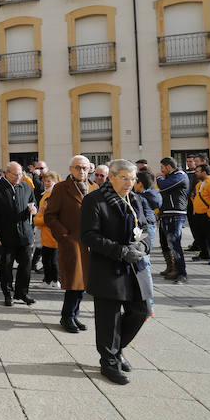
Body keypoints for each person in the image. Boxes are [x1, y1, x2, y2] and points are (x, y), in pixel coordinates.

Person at [80, 159, 151, 385]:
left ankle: (117, 349)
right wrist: (120, 251)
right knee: (108, 318)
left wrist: (143, 247)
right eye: (124, 178)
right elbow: (89, 235)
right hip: (108, 268)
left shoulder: (135, 199)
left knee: (141, 311)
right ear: (111, 177)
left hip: (135, 268)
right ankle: (109, 362)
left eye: (132, 178)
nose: (130, 183)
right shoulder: (94, 200)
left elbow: (148, 228)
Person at [45, 156, 97, 332]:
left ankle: (74, 314)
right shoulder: (61, 188)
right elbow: (50, 216)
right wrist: (63, 234)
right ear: (71, 169)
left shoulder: (94, 187)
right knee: (74, 282)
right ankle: (67, 316)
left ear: (89, 169)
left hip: (90, 242)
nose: (81, 171)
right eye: (77, 168)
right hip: (72, 241)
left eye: (84, 168)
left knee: (85, 283)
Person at [0, 161, 37, 307]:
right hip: (6, 234)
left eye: (21, 174)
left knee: (26, 265)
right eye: (15, 174)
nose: (19, 177)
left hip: (25, 233)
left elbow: (33, 202)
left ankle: (22, 292)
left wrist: (33, 210)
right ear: (6, 173)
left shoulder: (25, 186)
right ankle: (8, 294)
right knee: (6, 266)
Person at [156, 157, 190, 284]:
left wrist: (159, 177)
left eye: (162, 168)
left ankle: (182, 274)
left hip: (176, 214)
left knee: (175, 244)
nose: (161, 170)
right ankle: (174, 270)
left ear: (169, 167)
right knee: (167, 244)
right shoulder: (170, 177)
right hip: (166, 214)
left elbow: (163, 186)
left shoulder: (180, 175)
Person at [134, 170, 161, 314]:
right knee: (145, 264)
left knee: (144, 265)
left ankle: (149, 305)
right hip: (150, 228)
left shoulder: (140, 198)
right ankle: (147, 304)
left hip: (143, 231)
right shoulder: (153, 195)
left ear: (140, 184)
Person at [33, 170, 61, 288]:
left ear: (55, 181)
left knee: (49, 259)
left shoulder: (51, 195)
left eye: (49, 181)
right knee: (49, 258)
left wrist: (38, 218)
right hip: (47, 232)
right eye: (45, 181)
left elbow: (46, 215)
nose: (46, 183)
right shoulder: (48, 193)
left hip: (49, 231)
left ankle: (51, 280)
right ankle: (52, 280)